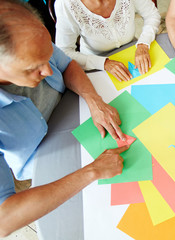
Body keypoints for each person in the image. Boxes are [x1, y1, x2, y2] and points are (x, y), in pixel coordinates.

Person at [0, 0, 129, 236]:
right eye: (33, 68)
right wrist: (93, 171)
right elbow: (3, 220)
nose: (49, 71)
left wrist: (94, 100)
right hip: (51, 169)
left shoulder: (31, 42)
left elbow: (67, 64)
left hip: (79, 120)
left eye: (47, 56)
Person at [55, 0, 161, 82]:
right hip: (94, 65)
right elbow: (64, 52)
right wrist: (104, 63)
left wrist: (143, 44)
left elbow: (151, 14)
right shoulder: (65, 4)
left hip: (133, 50)